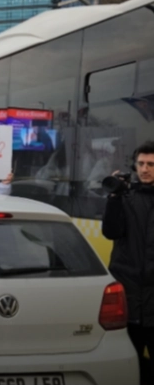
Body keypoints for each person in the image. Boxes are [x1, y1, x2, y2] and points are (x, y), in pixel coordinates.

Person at [102, 140, 154, 386]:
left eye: (151, 164)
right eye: (141, 164)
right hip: (129, 298)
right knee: (130, 370)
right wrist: (114, 196)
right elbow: (110, 232)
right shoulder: (125, 197)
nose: (145, 169)